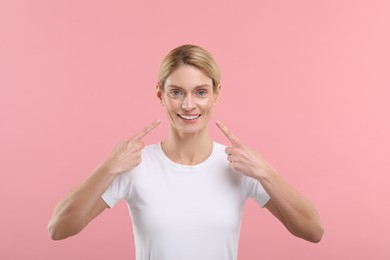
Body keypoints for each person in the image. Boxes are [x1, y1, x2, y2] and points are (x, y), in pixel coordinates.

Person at [48, 44, 323, 259]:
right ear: (160, 94)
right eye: (177, 92)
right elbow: (59, 228)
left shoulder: (238, 165)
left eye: (201, 92)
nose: (189, 105)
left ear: (217, 94)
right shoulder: (134, 166)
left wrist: (267, 173)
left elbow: (313, 231)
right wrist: (108, 167)